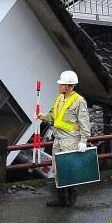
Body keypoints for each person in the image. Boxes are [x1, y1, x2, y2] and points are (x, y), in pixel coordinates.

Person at [37, 70, 91, 207]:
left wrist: (83, 141)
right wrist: (42, 116)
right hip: (58, 138)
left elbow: (84, 123)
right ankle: (61, 198)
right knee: (57, 169)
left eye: (62, 84)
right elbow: (54, 117)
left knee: (68, 169)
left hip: (71, 140)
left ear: (69, 86)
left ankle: (72, 195)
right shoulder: (59, 98)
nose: (59, 86)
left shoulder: (79, 101)